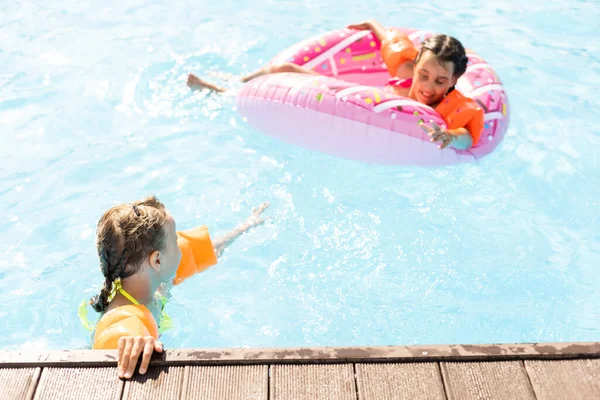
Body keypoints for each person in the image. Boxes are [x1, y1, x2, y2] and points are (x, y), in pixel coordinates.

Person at [187, 19, 484, 151]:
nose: (428, 86)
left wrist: (448, 138)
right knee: (281, 68)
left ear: (455, 81)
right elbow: (389, 41)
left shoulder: (454, 107)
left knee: (284, 71)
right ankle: (231, 86)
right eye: (424, 75)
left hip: (371, 117)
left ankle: (222, 87)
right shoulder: (405, 69)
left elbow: (467, 136)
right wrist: (371, 24)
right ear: (416, 65)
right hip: (353, 100)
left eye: (441, 81)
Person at [89, 195, 270, 379]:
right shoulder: (126, 318)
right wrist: (134, 341)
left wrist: (245, 226)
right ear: (157, 260)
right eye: (175, 242)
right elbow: (119, 334)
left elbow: (206, 249)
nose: (180, 247)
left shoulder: (143, 275)